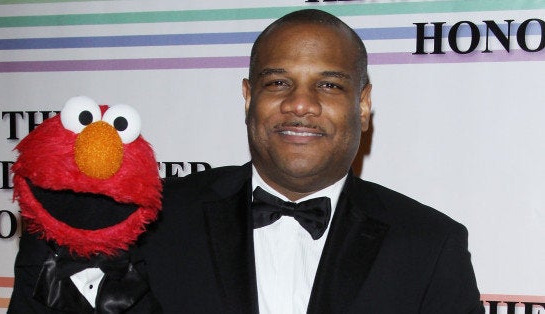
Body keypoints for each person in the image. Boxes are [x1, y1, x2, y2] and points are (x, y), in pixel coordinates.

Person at [139, 8, 484, 314]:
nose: (300, 104)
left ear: (362, 106)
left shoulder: (429, 246)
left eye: (329, 85)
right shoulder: (154, 220)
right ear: (248, 98)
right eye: (278, 82)